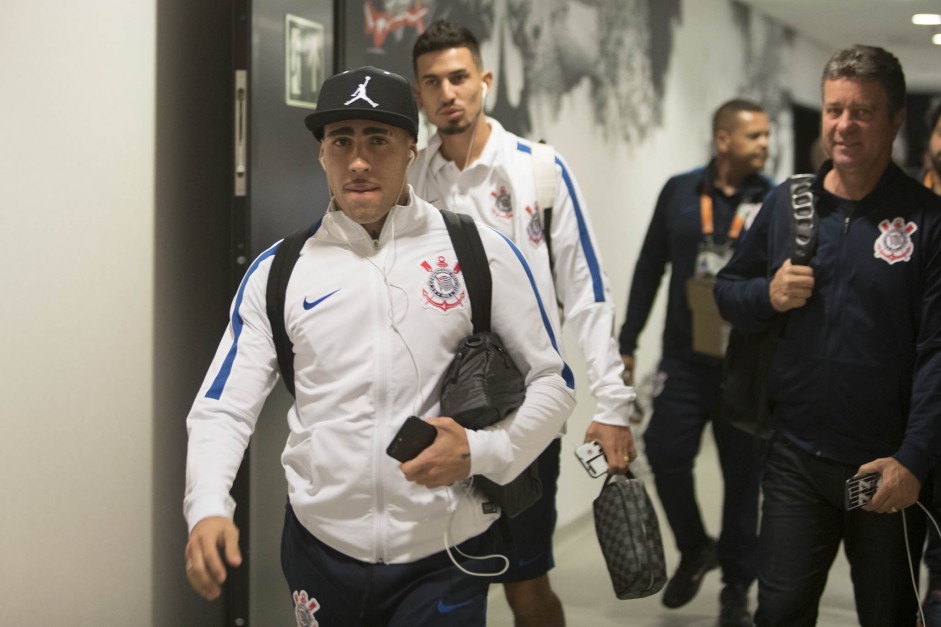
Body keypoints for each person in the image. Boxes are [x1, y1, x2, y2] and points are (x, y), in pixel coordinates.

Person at [182, 65, 577, 627]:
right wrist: (207, 506)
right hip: (321, 552)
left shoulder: (476, 252)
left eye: (378, 140)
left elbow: (554, 383)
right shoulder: (280, 272)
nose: (359, 161)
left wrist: (483, 451)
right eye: (341, 141)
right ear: (321, 153)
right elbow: (223, 406)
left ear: (411, 149)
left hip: (446, 552)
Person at [409, 19, 637, 627]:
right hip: (435, 410)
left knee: (525, 582)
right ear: (418, 95)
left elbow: (587, 291)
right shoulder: (411, 181)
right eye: (432, 82)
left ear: (484, 79)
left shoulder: (539, 171)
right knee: (440, 581)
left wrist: (612, 403)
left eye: (458, 77)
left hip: (523, 412)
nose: (447, 92)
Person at [714, 45, 941, 627]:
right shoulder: (788, 205)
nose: (844, 125)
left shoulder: (926, 220)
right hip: (796, 457)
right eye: (834, 109)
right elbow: (726, 292)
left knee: (886, 613)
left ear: (895, 120)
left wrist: (914, 460)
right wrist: (766, 294)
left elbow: (937, 353)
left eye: (862, 111)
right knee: (781, 611)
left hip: (885, 465)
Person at [618, 99, 772, 626]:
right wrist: (628, 340)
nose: (765, 145)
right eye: (755, 136)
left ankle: (736, 589)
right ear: (722, 139)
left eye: (768, 135)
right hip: (684, 360)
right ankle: (695, 546)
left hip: (746, 368)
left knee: (741, 480)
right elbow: (648, 267)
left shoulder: (772, 201)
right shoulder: (680, 192)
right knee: (664, 452)